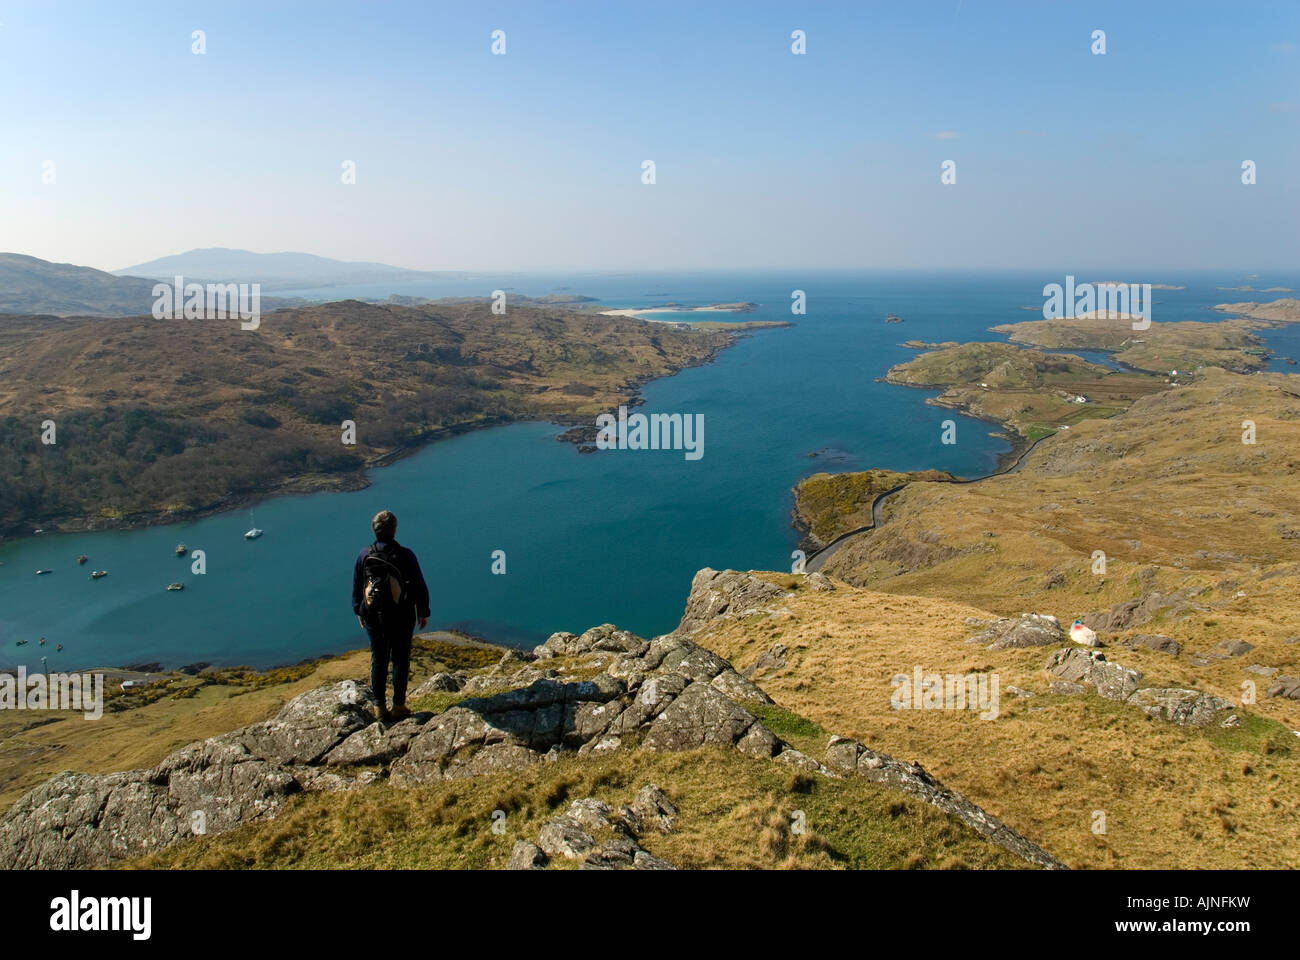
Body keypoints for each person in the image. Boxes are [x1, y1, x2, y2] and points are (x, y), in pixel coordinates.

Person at [351, 510, 430, 721]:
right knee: (400, 659)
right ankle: (398, 705)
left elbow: (358, 586)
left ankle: (379, 706)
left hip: (373, 616)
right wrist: (423, 612)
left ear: (374, 530)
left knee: (379, 658)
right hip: (402, 615)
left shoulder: (364, 555)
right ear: (395, 530)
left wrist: (359, 609)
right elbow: (420, 586)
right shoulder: (405, 555)